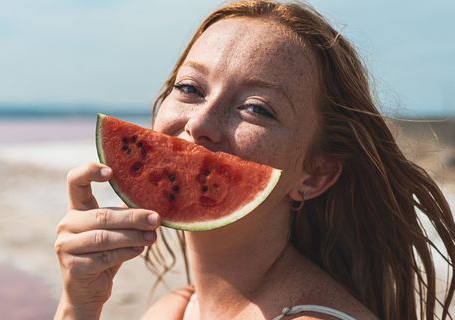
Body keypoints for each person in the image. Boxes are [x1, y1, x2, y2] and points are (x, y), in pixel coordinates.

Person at [54, 1, 455, 319]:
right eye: (190, 87)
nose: (200, 124)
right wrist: (80, 304)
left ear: (316, 174)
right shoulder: (176, 309)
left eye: (257, 109)